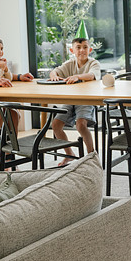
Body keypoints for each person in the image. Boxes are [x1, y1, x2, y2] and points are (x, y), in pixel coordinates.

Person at [48, 36, 101, 165]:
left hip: (86, 99)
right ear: (72, 50)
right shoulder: (70, 63)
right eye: (78, 47)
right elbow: (54, 71)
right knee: (55, 125)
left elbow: (92, 75)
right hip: (70, 99)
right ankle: (69, 154)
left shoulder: (93, 63)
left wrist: (78, 76)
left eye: (85, 47)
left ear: (90, 49)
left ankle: (91, 156)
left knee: (81, 125)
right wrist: (54, 75)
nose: (82, 50)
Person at [0, 37, 34, 142]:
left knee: (15, 114)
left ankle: (12, 145)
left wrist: (5, 68)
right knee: (0, 117)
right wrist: (1, 69)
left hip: (2, 96)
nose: (0, 52)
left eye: (1, 48)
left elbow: (8, 78)